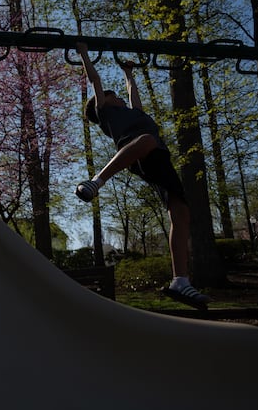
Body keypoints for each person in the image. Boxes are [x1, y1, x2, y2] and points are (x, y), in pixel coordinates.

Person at [75, 42, 211, 310]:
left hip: (159, 156)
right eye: (113, 95)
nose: (118, 97)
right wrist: (83, 52)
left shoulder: (134, 112)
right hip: (137, 152)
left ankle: (180, 281)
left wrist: (128, 74)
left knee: (181, 212)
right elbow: (95, 79)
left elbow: (132, 93)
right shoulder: (105, 112)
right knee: (147, 138)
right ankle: (97, 181)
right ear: (102, 103)